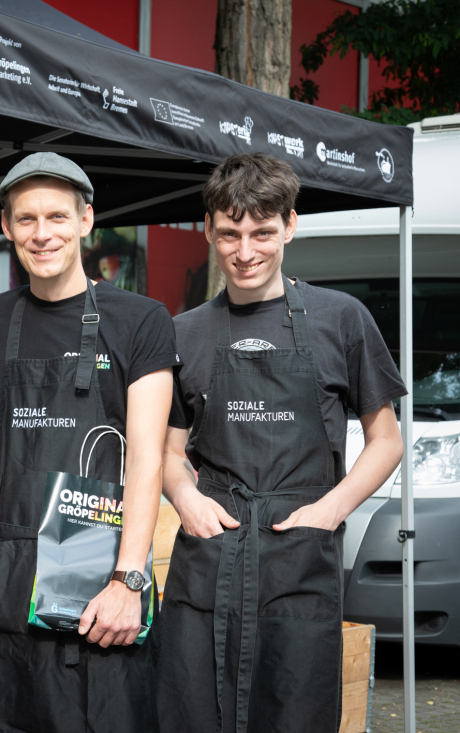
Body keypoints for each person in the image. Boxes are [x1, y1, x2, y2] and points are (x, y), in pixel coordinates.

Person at [155, 153, 406, 733]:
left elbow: (385, 441)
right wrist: (185, 500)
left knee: (294, 714)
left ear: (290, 225)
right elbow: (168, 454)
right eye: (229, 235)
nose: (246, 252)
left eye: (262, 232)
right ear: (211, 231)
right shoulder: (184, 332)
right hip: (210, 559)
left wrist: (329, 511)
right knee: (192, 713)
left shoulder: (341, 319)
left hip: (298, 559)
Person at [0, 152, 178, 732]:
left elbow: (146, 459)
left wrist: (128, 579)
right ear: (8, 228)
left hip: (99, 574)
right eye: (26, 219)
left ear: (86, 220)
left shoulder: (140, 320)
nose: (42, 234)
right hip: (9, 575)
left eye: (57, 217)